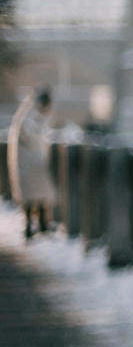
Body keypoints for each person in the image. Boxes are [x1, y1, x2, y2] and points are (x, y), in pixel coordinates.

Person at [8, 88, 58, 239]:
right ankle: (34, 226)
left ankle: (40, 225)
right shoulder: (30, 116)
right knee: (32, 196)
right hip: (30, 163)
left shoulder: (30, 114)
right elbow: (30, 137)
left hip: (34, 163)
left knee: (39, 195)